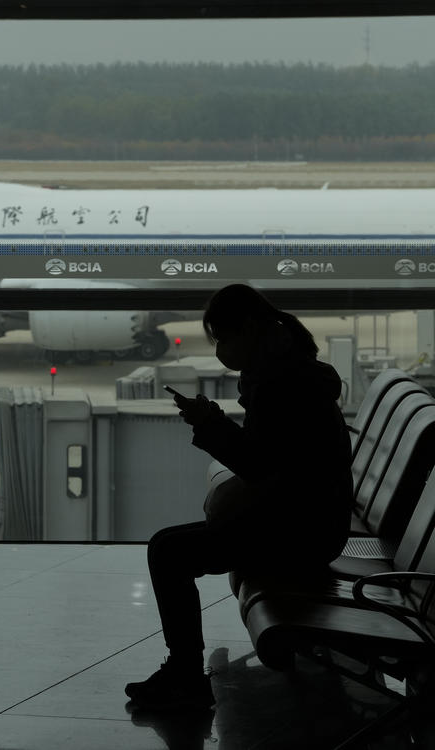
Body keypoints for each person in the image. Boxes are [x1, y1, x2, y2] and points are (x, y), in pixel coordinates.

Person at [125, 283, 352, 711]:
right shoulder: (287, 370)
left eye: (224, 338)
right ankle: (183, 671)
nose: (220, 351)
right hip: (310, 520)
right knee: (170, 546)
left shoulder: (284, 383)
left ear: (249, 329)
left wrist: (209, 424)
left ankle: (186, 675)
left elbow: (260, 466)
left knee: (168, 551)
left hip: (301, 532)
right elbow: (273, 462)